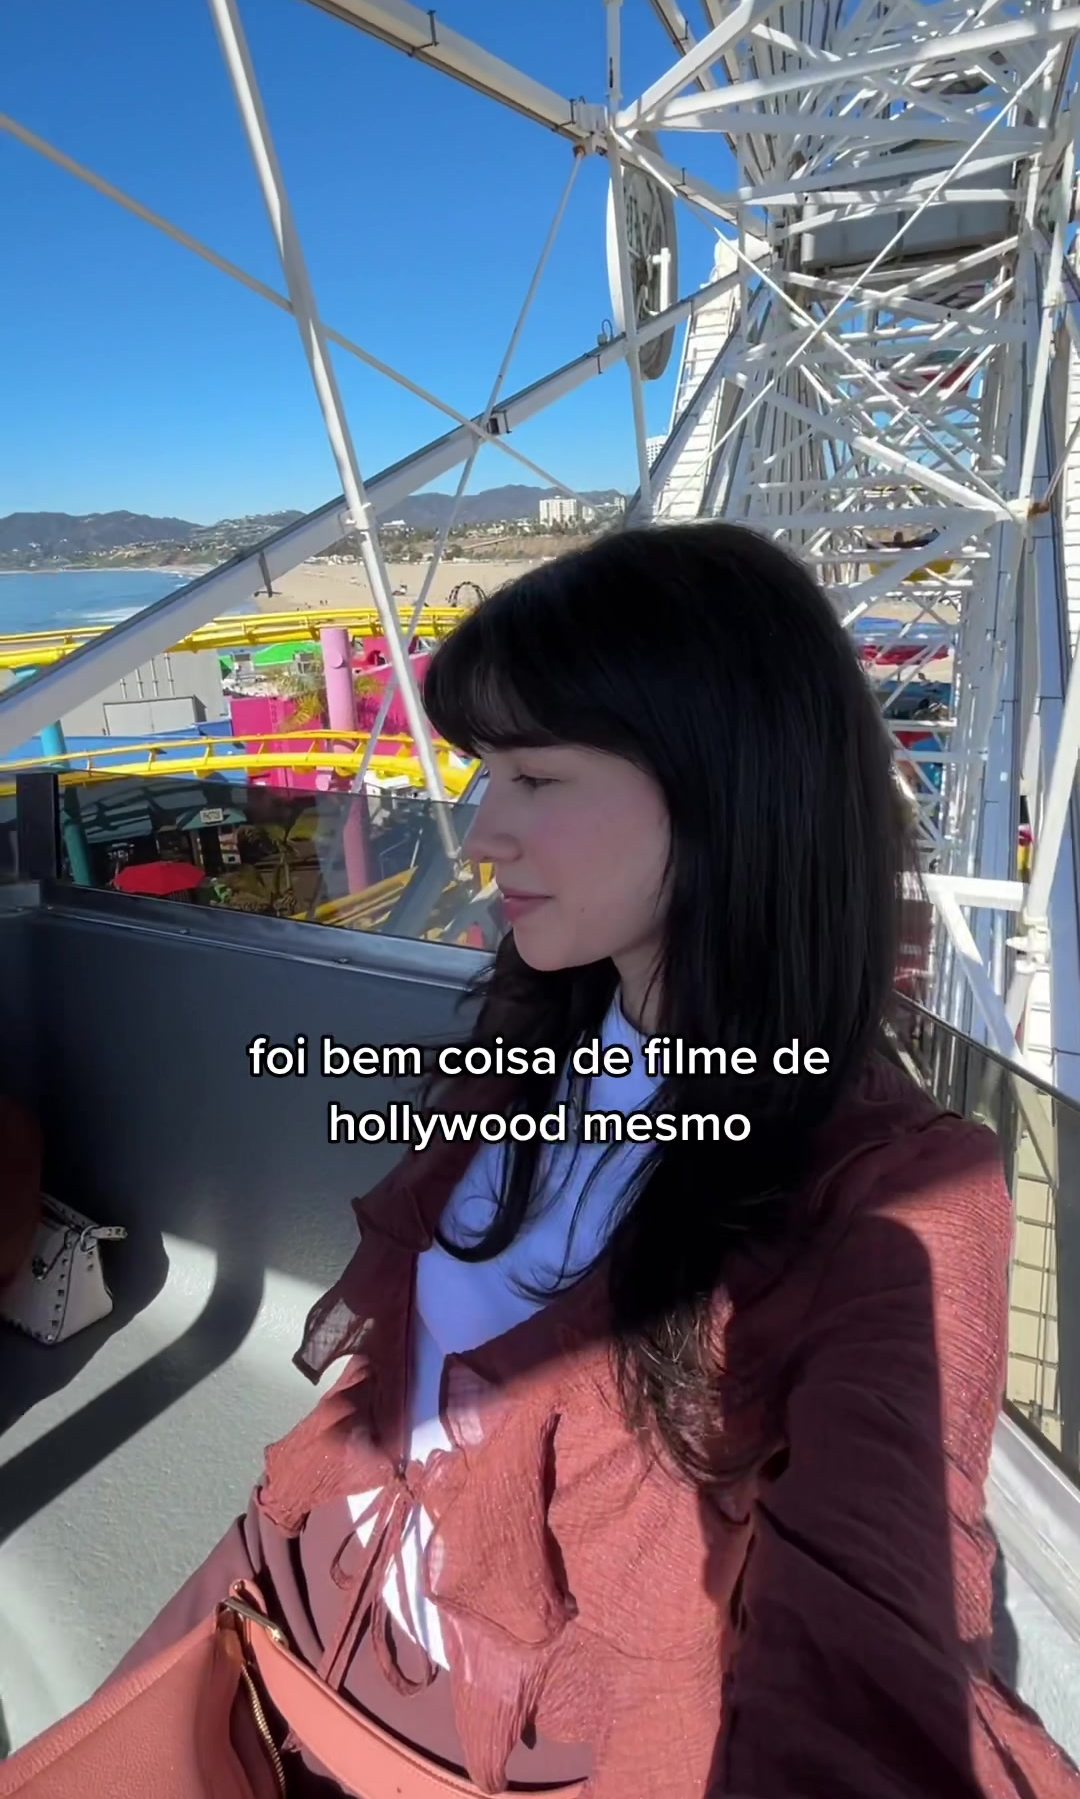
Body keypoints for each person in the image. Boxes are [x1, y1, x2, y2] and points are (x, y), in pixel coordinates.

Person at [106, 523, 1079, 1798]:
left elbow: (875, 1636)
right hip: (297, 1600)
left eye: (535, 777)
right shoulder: (535, 1036)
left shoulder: (895, 1193)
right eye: (484, 774)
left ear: (725, 786)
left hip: (507, 1743)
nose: (480, 835)